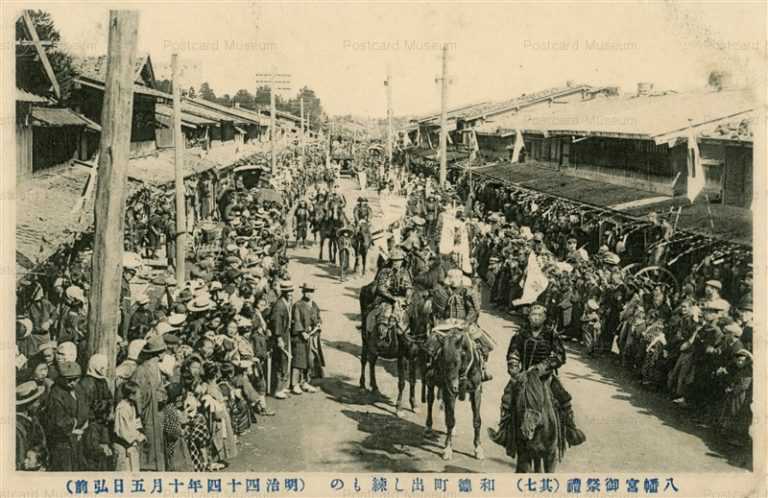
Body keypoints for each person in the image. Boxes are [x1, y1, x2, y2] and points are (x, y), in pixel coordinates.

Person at [489, 304, 585, 456]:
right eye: (533, 315)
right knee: (507, 397)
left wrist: (542, 367)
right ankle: (504, 432)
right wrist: (514, 368)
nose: (536, 318)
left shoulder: (551, 335)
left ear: (544, 317)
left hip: (545, 377)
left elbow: (560, 356)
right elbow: (513, 352)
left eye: (539, 315)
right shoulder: (521, 334)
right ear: (529, 317)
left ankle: (570, 430)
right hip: (524, 376)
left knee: (563, 397)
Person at [131, 336, 168, 471]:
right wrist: (153, 395)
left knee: (157, 441)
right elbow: (136, 394)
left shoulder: (156, 368)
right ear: (159, 352)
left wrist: (162, 394)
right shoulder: (142, 370)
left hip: (157, 411)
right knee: (148, 441)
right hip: (147, 412)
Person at [44, 361, 89, 471]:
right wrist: (76, 424)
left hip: (78, 439)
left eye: (76, 379)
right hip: (63, 442)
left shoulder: (79, 389)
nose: (72, 382)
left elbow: (85, 407)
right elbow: (58, 421)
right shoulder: (56, 393)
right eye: (68, 380)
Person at [291, 284, 323, 393]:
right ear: (303, 292)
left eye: (311, 291)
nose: (309, 293)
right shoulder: (298, 305)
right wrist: (302, 332)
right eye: (307, 291)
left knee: (309, 361)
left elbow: (318, 318)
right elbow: (297, 320)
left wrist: (318, 324)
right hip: (300, 337)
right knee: (298, 360)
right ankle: (294, 384)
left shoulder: (314, 305)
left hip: (312, 337)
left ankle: (305, 382)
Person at [113, 380, 146, 471]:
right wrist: (138, 437)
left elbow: (135, 422)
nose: (140, 395)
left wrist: (140, 434)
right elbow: (124, 430)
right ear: (131, 395)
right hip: (124, 444)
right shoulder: (122, 408)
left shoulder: (132, 405)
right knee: (125, 469)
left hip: (131, 443)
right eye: (138, 393)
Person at [270, 281, 294, 399]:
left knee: (285, 360)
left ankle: (282, 386)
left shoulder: (286, 303)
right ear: (283, 293)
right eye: (287, 292)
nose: (290, 294)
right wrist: (279, 337)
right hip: (281, 335)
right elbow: (277, 323)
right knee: (280, 360)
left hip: (286, 333)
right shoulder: (279, 306)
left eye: (291, 292)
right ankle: (277, 388)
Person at [16, 381, 47, 470]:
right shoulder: (18, 427)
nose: (39, 404)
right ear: (27, 404)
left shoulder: (33, 418)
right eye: (36, 401)